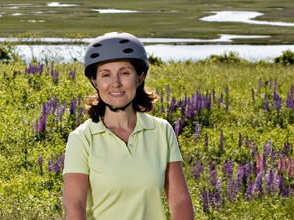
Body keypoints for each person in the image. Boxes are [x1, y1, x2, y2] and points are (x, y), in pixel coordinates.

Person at [61, 32, 194, 220]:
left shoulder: (161, 131)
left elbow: (179, 199)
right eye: (106, 74)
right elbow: (74, 206)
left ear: (139, 78)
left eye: (124, 73)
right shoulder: (82, 138)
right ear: (95, 81)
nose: (115, 83)